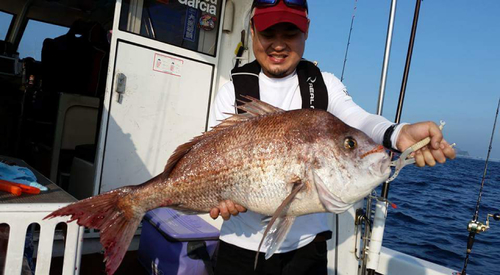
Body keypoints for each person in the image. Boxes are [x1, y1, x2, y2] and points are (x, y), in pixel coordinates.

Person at [208, 1, 456, 274]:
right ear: (252, 30)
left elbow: (359, 120)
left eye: (290, 33)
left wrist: (398, 133)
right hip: (238, 247)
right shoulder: (233, 89)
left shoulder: (323, 84)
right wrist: (222, 196)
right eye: (268, 33)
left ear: (306, 31)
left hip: (308, 249)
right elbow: (212, 157)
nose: (278, 45)